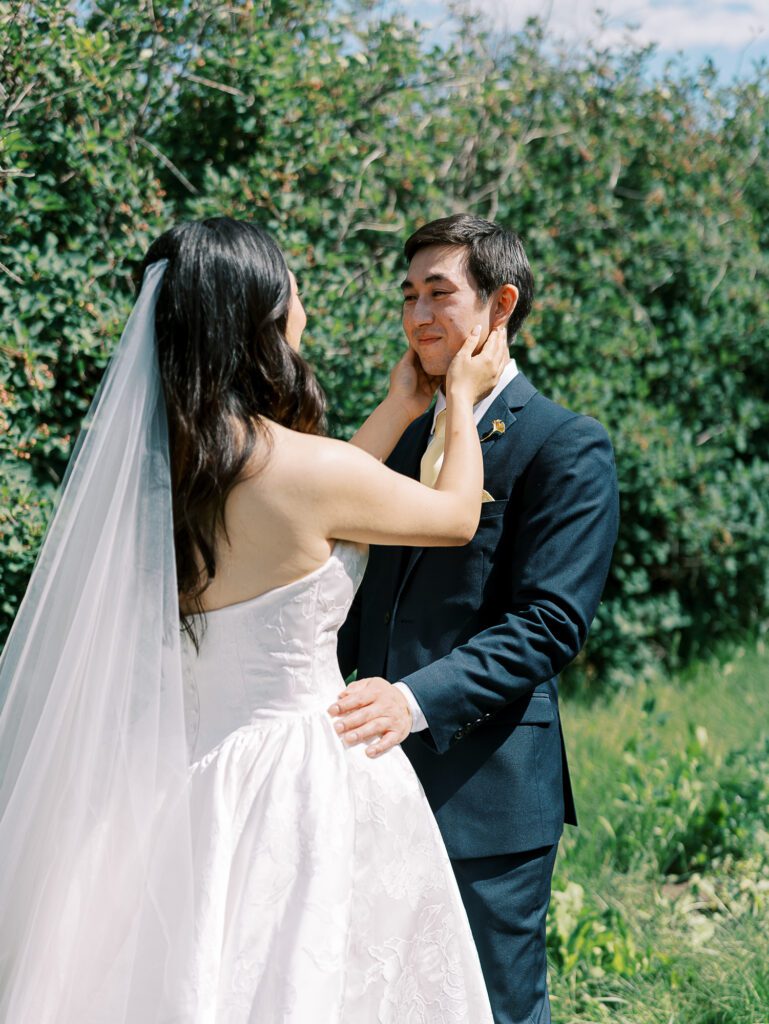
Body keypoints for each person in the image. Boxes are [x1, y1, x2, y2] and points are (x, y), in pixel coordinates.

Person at [0, 216, 504, 1022]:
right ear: (259, 313)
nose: (298, 300)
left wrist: (393, 408)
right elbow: (450, 517)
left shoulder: (169, 473)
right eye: (289, 286)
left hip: (198, 772)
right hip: (308, 770)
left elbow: (321, 504)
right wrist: (457, 401)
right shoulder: (303, 466)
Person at [335, 213, 620, 1024]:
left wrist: (411, 701)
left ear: (500, 305)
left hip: (486, 792)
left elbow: (548, 623)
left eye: (440, 294)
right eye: (409, 296)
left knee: (493, 1008)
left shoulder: (564, 445)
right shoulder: (401, 441)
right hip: (373, 776)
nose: (419, 316)